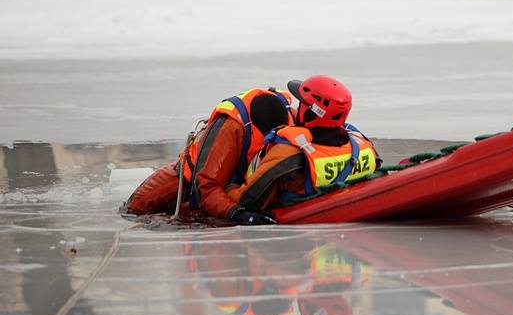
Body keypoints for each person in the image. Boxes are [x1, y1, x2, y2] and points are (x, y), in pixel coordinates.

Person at [124, 87, 294, 225]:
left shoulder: (291, 119)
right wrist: (236, 213)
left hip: (231, 185)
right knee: (131, 211)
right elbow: (206, 187)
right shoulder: (231, 128)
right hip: (185, 186)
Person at [227, 75, 380, 212]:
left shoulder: (288, 151)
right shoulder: (362, 144)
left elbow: (249, 200)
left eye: (301, 104)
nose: (297, 108)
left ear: (311, 113)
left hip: (297, 216)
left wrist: (230, 188)